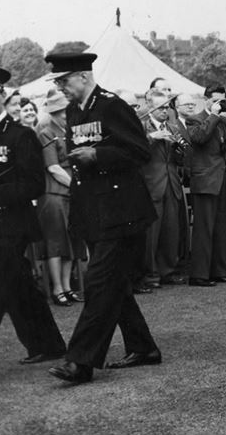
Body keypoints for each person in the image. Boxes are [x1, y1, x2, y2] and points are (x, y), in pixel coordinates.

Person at [45, 53, 161, 384]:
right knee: (114, 286)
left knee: (98, 283)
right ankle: (144, 347)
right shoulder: (72, 110)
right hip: (93, 212)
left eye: (64, 81)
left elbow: (140, 151)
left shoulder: (111, 106)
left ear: (82, 76)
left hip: (122, 211)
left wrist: (98, 154)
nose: (61, 88)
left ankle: (80, 362)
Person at [0, 65, 67, 366]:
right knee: (19, 288)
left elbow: (34, 184)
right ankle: (49, 345)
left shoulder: (21, 135)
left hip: (9, 226)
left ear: (3, 97)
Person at [181, 88, 226, 286]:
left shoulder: (224, 122)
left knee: (221, 227)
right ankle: (199, 274)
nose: (219, 104)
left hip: (224, 177)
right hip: (206, 179)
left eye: (222, 101)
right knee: (204, 228)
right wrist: (215, 115)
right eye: (215, 100)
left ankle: (218, 270)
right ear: (206, 100)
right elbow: (199, 138)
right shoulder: (195, 119)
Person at [35, 87, 85, 305]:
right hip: (53, 193)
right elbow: (53, 168)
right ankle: (57, 288)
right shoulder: (45, 131)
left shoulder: (69, 130)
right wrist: (75, 186)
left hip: (68, 191)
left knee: (70, 240)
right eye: (64, 111)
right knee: (56, 242)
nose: (68, 114)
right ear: (55, 113)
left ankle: (66, 286)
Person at [139, 88, 188, 287]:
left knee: (171, 230)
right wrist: (153, 138)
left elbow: (181, 159)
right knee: (152, 234)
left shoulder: (173, 126)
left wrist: (178, 147)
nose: (164, 110)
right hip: (152, 184)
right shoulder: (142, 126)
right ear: (149, 106)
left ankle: (168, 271)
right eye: (160, 107)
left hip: (172, 183)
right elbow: (136, 151)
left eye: (167, 107)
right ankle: (150, 275)